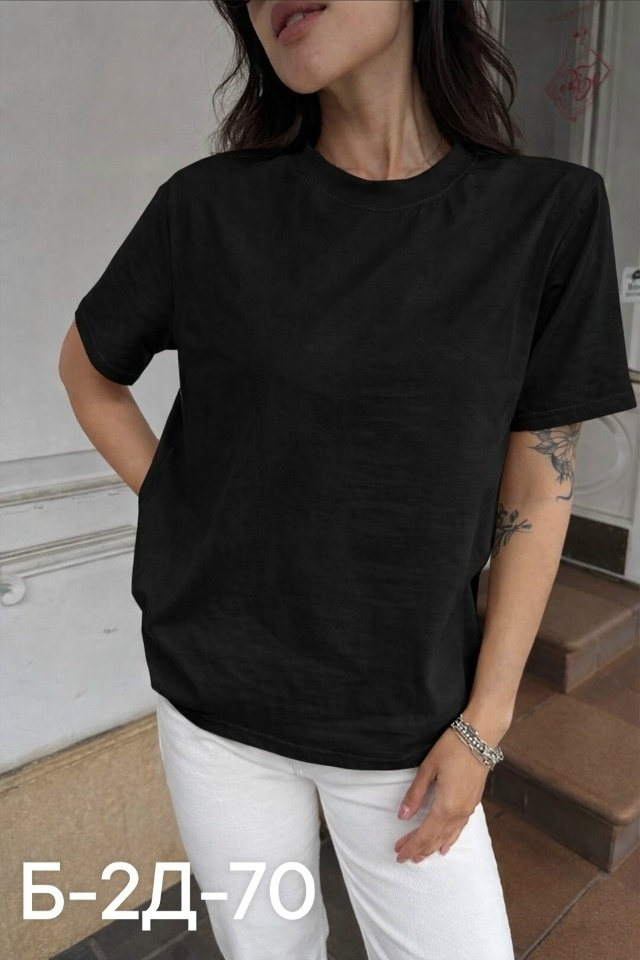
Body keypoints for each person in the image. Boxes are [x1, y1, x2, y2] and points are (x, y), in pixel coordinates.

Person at [58, 1, 637, 958]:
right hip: (217, 708)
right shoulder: (208, 209)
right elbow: (90, 373)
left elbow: (539, 490)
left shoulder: (548, 215)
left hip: (411, 726)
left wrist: (485, 727)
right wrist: (184, 509)